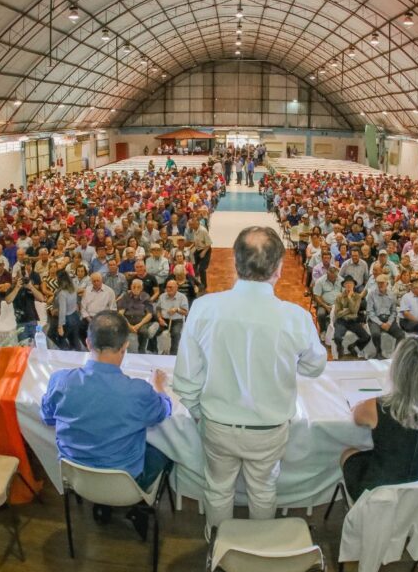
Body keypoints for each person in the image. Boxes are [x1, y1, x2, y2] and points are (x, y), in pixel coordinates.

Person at [173, 226, 327, 535]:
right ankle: (260, 546)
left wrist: (201, 413)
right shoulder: (295, 317)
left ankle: (218, 545)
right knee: (263, 489)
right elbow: (314, 367)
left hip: (218, 423)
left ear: (236, 262)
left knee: (218, 489)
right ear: (279, 268)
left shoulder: (204, 308)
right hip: (269, 428)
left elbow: (186, 378)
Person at [41, 311, 173, 533]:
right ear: (125, 346)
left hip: (76, 477)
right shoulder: (138, 391)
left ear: (87, 342)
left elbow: (46, 417)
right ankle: (138, 505)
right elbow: (163, 411)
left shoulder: (60, 381)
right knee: (165, 449)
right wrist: (159, 388)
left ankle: (103, 504)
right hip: (125, 482)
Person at [342, 336, 418, 501]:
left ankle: (359, 510)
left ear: (396, 369)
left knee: (348, 453)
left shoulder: (378, 406)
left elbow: (356, 417)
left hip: (380, 489)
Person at [366, 275, 404, 356]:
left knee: (401, 335)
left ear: (387, 284)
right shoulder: (371, 294)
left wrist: (389, 323)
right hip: (375, 319)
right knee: (375, 334)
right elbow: (370, 312)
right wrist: (381, 324)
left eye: (382, 283)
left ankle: (396, 354)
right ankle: (378, 353)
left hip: (388, 319)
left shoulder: (392, 295)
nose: (380, 285)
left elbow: (394, 311)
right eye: (378, 283)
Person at [333, 276, 370, 358]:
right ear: (344, 285)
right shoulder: (339, 297)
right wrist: (349, 310)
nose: (349, 285)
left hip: (353, 321)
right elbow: (337, 314)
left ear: (354, 285)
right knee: (337, 337)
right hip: (341, 321)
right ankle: (340, 347)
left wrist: (349, 298)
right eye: (347, 283)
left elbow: (355, 311)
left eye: (351, 283)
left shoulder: (357, 297)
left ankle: (353, 346)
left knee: (366, 337)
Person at [118, 278, 156, 353]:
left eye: (138, 287)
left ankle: (141, 351)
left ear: (142, 288)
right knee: (118, 330)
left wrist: (138, 325)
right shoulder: (126, 296)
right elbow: (120, 313)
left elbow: (149, 314)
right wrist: (129, 326)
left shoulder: (146, 296)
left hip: (141, 321)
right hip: (127, 321)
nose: (136, 289)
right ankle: (121, 351)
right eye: (134, 287)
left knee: (144, 332)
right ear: (131, 287)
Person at [49, 270, 83, 351]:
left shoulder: (62, 293)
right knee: (74, 340)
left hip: (66, 319)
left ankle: (67, 352)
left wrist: (60, 326)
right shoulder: (73, 287)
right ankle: (77, 355)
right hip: (75, 316)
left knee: (55, 336)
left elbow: (63, 311)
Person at [154, 278, 188, 355]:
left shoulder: (182, 297)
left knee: (176, 333)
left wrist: (177, 309)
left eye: (170, 287)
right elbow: (158, 309)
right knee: (152, 332)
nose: (168, 289)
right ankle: (154, 352)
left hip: (176, 321)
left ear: (176, 288)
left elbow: (186, 312)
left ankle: (173, 354)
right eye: (167, 287)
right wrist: (160, 318)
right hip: (163, 320)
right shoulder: (162, 296)